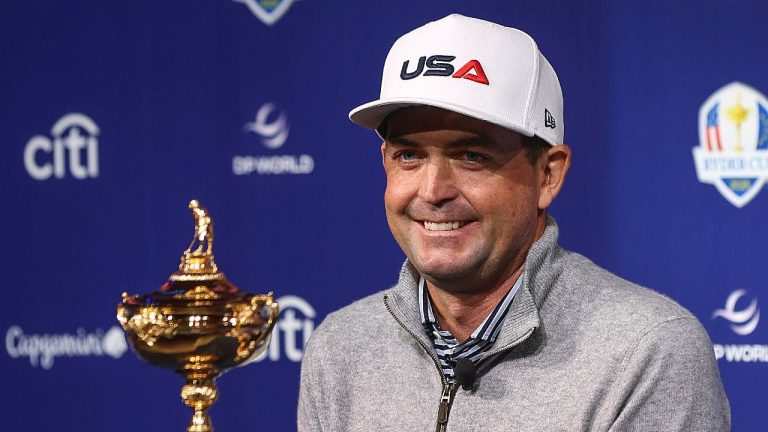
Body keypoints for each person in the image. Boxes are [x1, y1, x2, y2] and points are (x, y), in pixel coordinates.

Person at [298, 14, 730, 431]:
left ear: (548, 174)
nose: (432, 191)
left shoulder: (647, 351)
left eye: (472, 156)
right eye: (408, 155)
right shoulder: (340, 347)